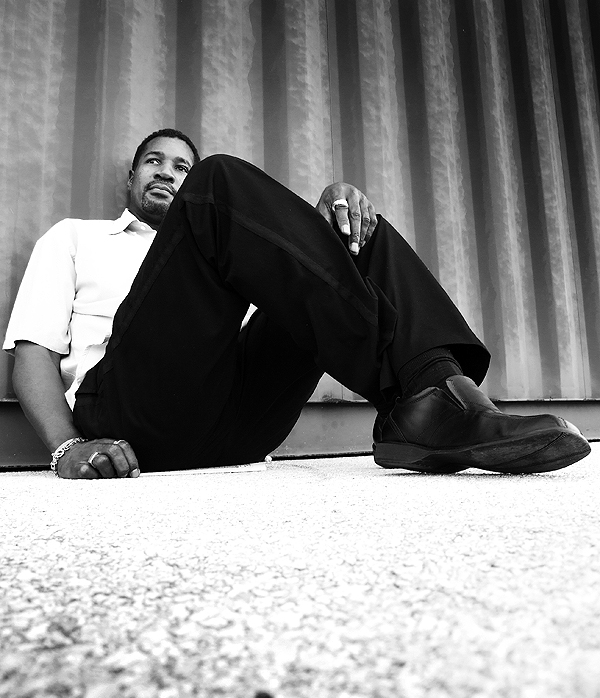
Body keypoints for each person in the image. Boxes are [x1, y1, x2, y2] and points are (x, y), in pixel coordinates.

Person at [3, 128, 591, 478]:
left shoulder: (225, 239)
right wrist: (66, 449)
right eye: (154, 161)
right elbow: (33, 350)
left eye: (181, 166)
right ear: (131, 176)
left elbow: (292, 295)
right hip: (134, 417)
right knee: (221, 179)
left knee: (352, 226)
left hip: (241, 427)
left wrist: (326, 225)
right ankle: (419, 404)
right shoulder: (74, 237)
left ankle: (440, 393)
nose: (169, 172)